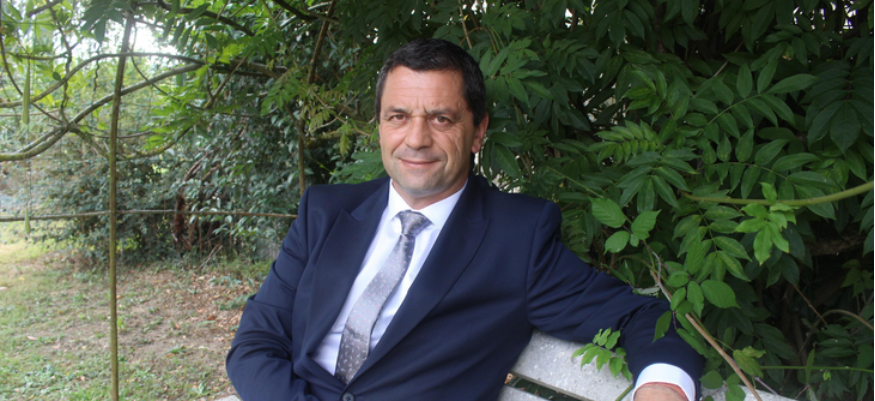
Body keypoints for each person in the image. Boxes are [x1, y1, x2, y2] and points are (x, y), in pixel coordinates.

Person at [226, 38, 703, 401]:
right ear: (380, 127)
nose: (416, 139)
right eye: (398, 116)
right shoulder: (326, 211)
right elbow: (256, 341)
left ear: (478, 132)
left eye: (441, 119)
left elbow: (643, 315)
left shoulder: (518, 239)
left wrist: (663, 385)